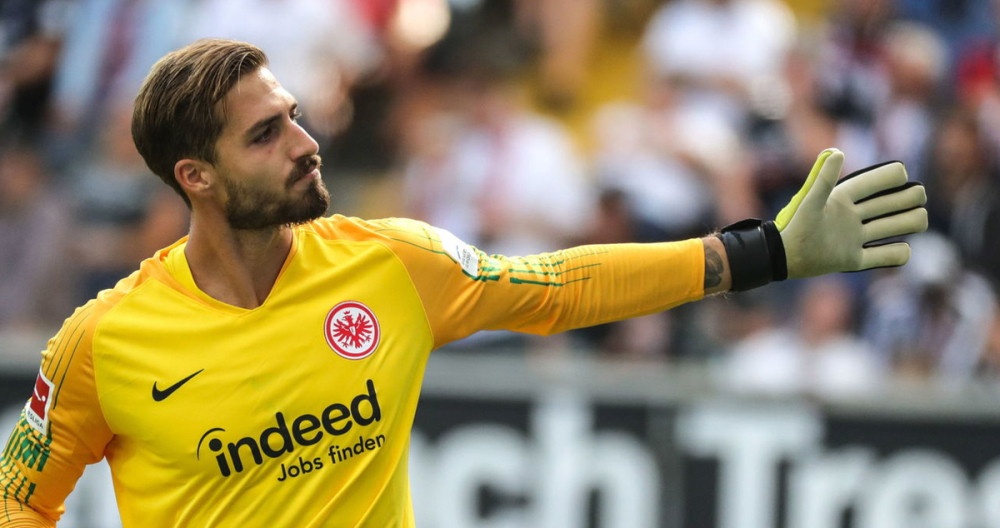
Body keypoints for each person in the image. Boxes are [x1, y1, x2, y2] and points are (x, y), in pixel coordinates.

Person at [0, 39, 928, 527]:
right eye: (265, 135)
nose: (306, 142)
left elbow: (558, 285)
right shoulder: (103, 341)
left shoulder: (389, 265)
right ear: (193, 177)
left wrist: (762, 251)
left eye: (294, 116)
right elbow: (19, 498)